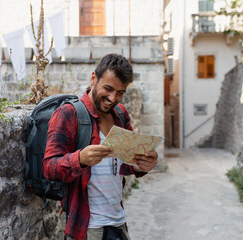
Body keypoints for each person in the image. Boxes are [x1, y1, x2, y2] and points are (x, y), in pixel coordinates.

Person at [42, 53, 158, 240]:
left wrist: (140, 165)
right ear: (93, 78)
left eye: (120, 92)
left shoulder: (120, 114)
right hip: (87, 228)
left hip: (119, 223)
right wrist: (80, 159)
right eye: (108, 88)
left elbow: (123, 163)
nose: (113, 98)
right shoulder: (68, 114)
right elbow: (49, 167)